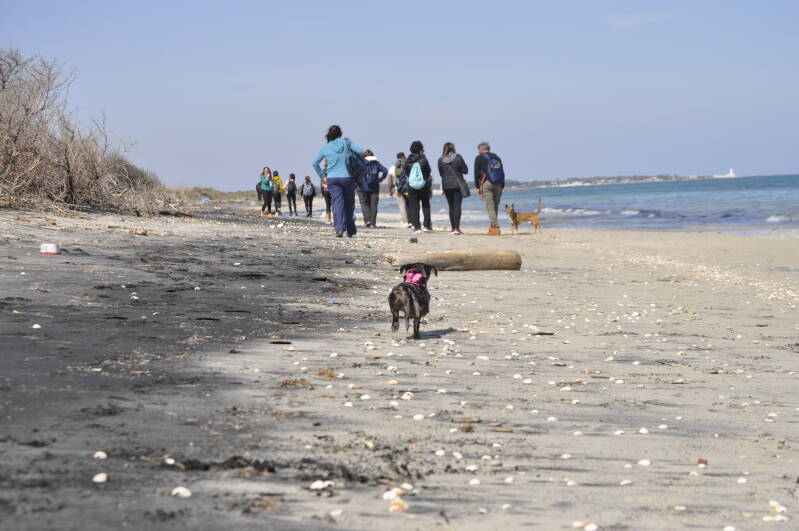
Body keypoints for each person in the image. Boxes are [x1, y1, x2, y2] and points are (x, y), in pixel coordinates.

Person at [312, 125, 364, 237]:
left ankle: (340, 228)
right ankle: (350, 229)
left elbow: (314, 163)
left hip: (332, 178)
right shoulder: (347, 142)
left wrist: (322, 176)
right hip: (348, 177)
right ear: (340, 133)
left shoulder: (326, 147)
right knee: (349, 204)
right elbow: (361, 151)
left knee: (337, 204)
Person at [474, 141, 505, 235]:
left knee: (490, 206)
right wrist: (502, 185)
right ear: (489, 148)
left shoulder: (479, 158)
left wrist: (477, 186)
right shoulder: (496, 157)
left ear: (480, 150)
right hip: (498, 183)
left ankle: (495, 227)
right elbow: (502, 171)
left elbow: (476, 173)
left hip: (487, 183)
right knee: (495, 205)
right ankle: (492, 227)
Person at [438, 142, 469, 235]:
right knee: (457, 206)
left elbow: (441, 174)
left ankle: (452, 228)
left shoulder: (440, 160)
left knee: (451, 206)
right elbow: (465, 170)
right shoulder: (458, 157)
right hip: (457, 185)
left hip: (446, 185)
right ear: (453, 149)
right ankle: (456, 228)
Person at [403, 140, 433, 233]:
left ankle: (417, 227)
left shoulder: (407, 161)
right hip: (423, 186)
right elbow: (428, 172)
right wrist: (423, 179)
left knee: (414, 206)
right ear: (420, 149)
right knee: (425, 205)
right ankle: (427, 226)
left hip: (412, 186)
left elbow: (406, 173)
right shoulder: (424, 160)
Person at [358, 149, 387, 228]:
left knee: (364, 204)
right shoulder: (376, 163)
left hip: (362, 187)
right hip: (374, 187)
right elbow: (385, 171)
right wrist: (381, 179)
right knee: (374, 205)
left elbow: (355, 172)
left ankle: (367, 220)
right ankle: (373, 223)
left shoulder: (361, 163)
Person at [388, 152, 409, 227]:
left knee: (402, 205)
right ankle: (412, 221)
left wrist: (390, 190)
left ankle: (405, 221)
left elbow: (390, 179)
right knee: (409, 204)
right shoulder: (408, 165)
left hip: (398, 190)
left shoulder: (393, 167)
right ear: (404, 157)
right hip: (408, 189)